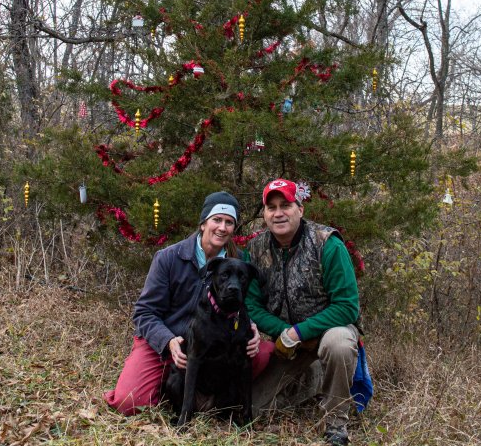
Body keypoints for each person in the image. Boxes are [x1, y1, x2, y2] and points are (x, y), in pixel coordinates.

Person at [104, 191, 272, 415]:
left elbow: (246, 304)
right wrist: (168, 342)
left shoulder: (238, 262)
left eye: (229, 222)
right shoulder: (169, 258)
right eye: (217, 220)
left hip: (213, 344)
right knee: (129, 402)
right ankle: (167, 385)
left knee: (261, 353)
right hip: (164, 344)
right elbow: (144, 312)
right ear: (203, 223)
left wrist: (251, 327)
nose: (222, 227)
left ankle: (218, 400)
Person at [244, 178, 361, 446]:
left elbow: (347, 306)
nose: (278, 213)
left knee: (340, 344)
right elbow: (251, 305)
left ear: (300, 209)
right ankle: (315, 378)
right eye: (271, 207)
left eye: (286, 205)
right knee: (253, 410)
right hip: (285, 343)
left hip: (325, 333)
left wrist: (299, 332)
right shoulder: (255, 248)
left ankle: (336, 424)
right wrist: (282, 333)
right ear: (264, 213)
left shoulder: (327, 244)